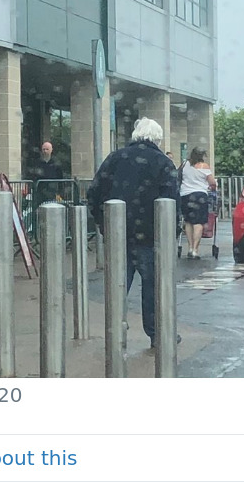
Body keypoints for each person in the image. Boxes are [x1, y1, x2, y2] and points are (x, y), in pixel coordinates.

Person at [87, 117, 179, 349]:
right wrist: (171, 232)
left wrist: (102, 222)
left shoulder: (115, 158)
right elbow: (171, 201)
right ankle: (157, 334)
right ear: (157, 138)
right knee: (153, 287)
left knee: (117, 285)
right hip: (150, 235)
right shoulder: (162, 163)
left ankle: (115, 331)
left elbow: (94, 192)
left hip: (118, 233)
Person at [179, 146, 217, 259]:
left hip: (185, 195)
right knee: (198, 223)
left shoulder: (184, 164)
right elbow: (212, 183)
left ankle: (190, 248)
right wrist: (213, 188)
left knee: (188, 222)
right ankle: (195, 249)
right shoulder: (204, 166)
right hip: (199, 196)